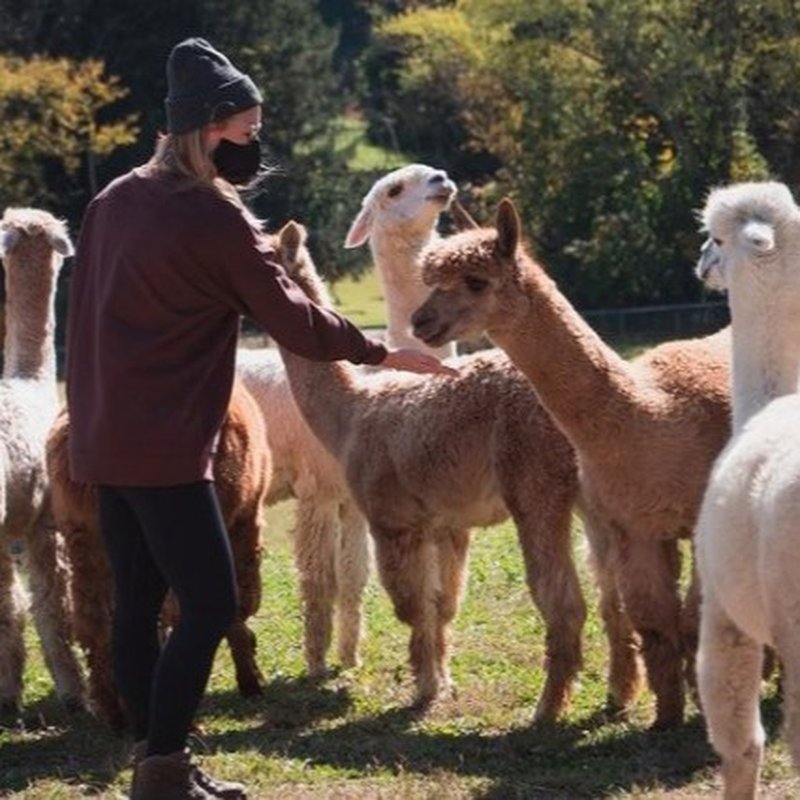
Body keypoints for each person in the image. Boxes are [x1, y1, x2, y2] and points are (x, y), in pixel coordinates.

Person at [65, 37, 454, 800]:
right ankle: (162, 771)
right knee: (210, 602)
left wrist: (85, 424)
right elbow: (297, 320)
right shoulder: (216, 221)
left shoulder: (112, 201)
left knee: (139, 603)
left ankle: (157, 761)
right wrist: (383, 352)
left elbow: (78, 319)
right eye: (246, 133)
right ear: (209, 128)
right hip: (168, 449)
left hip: (105, 437)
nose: (255, 148)